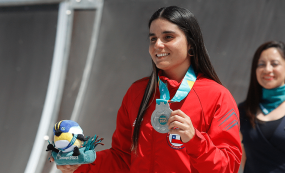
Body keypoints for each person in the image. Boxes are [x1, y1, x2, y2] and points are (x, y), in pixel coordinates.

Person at [53, 6, 242, 173]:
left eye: (168, 37)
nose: (158, 45)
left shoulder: (218, 96)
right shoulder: (137, 93)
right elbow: (122, 157)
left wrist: (195, 140)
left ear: (191, 43)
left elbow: (229, 167)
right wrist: (81, 163)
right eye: (153, 39)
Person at [239, 41, 285, 173]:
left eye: (274, 64)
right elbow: (243, 157)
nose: (267, 69)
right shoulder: (243, 110)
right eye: (261, 64)